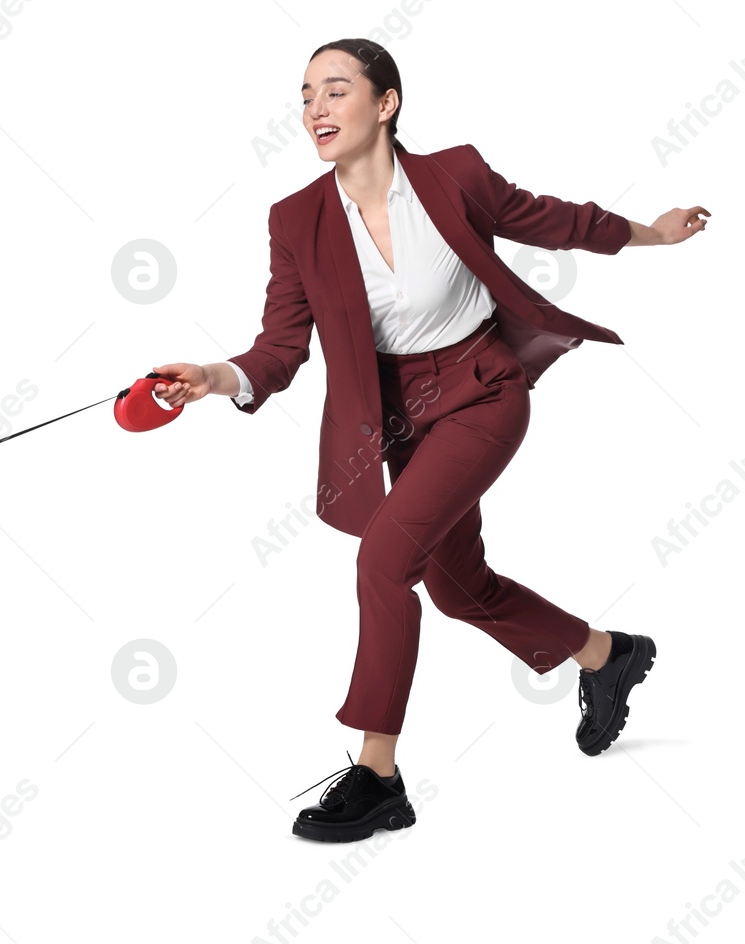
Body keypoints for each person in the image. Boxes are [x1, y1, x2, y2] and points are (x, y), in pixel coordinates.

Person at [150, 38, 709, 843]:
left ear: (386, 104)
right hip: (399, 421)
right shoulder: (296, 220)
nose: (315, 109)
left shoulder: (455, 176)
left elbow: (554, 221)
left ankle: (378, 776)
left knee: (382, 562)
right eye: (305, 94)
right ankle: (604, 654)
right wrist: (214, 374)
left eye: (336, 91)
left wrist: (651, 235)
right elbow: (279, 348)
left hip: (483, 390)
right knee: (459, 588)